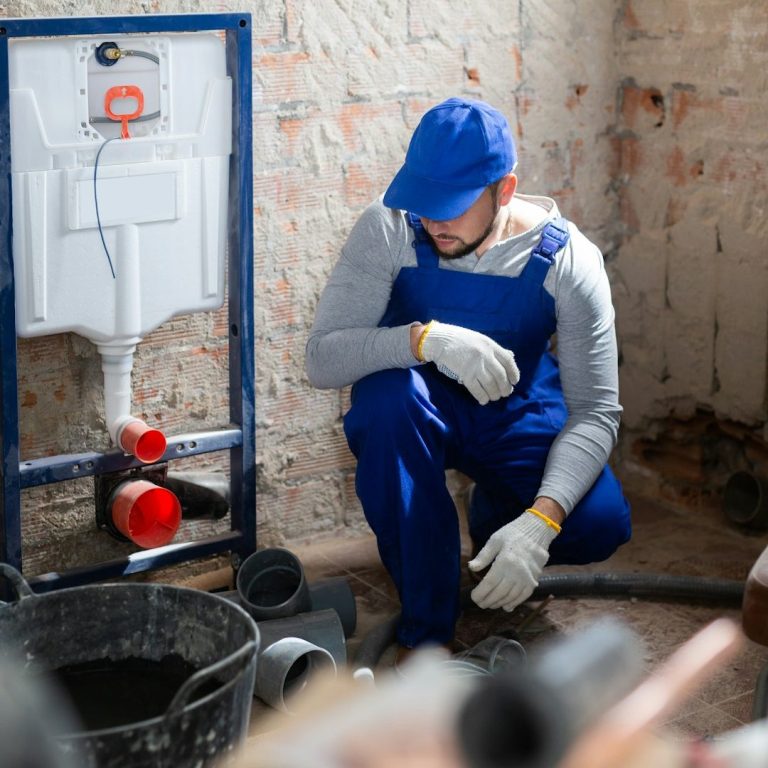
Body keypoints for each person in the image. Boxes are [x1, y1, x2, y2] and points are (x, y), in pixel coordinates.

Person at [305, 97, 631, 654]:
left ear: (504, 190)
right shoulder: (388, 228)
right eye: (423, 201)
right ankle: (426, 627)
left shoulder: (570, 262)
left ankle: (500, 516)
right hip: (416, 407)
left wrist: (542, 521)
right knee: (385, 403)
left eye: (452, 207)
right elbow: (322, 359)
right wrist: (421, 340)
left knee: (598, 522)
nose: (433, 222)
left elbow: (597, 411)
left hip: (517, 409)